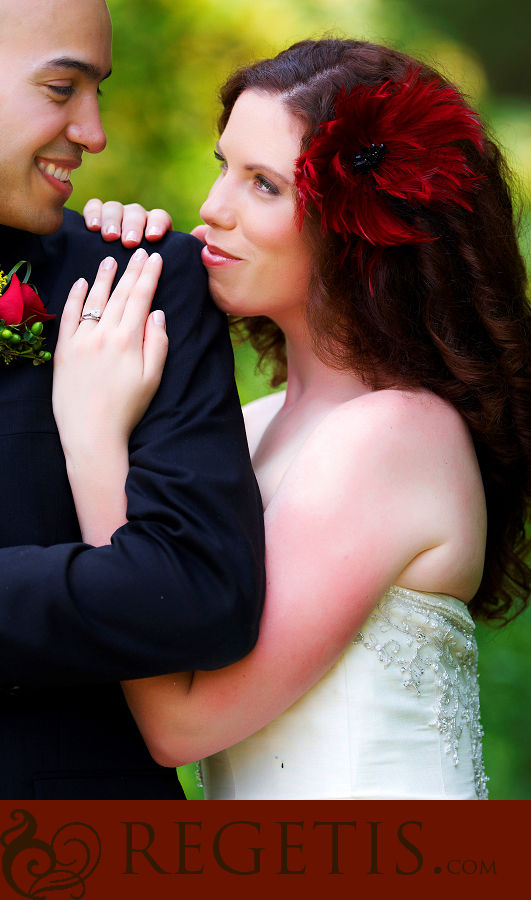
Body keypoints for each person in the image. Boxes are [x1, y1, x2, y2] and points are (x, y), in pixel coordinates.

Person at [73, 38, 531, 800]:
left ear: (359, 226)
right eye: (222, 166)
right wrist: (92, 267)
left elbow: (182, 726)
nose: (212, 208)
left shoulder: (395, 436)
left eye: (262, 184)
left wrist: (94, 438)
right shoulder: (251, 428)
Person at [0, 0, 264, 801]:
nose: (93, 132)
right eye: (60, 88)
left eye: (99, 92)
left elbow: (194, 596)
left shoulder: (139, 282)